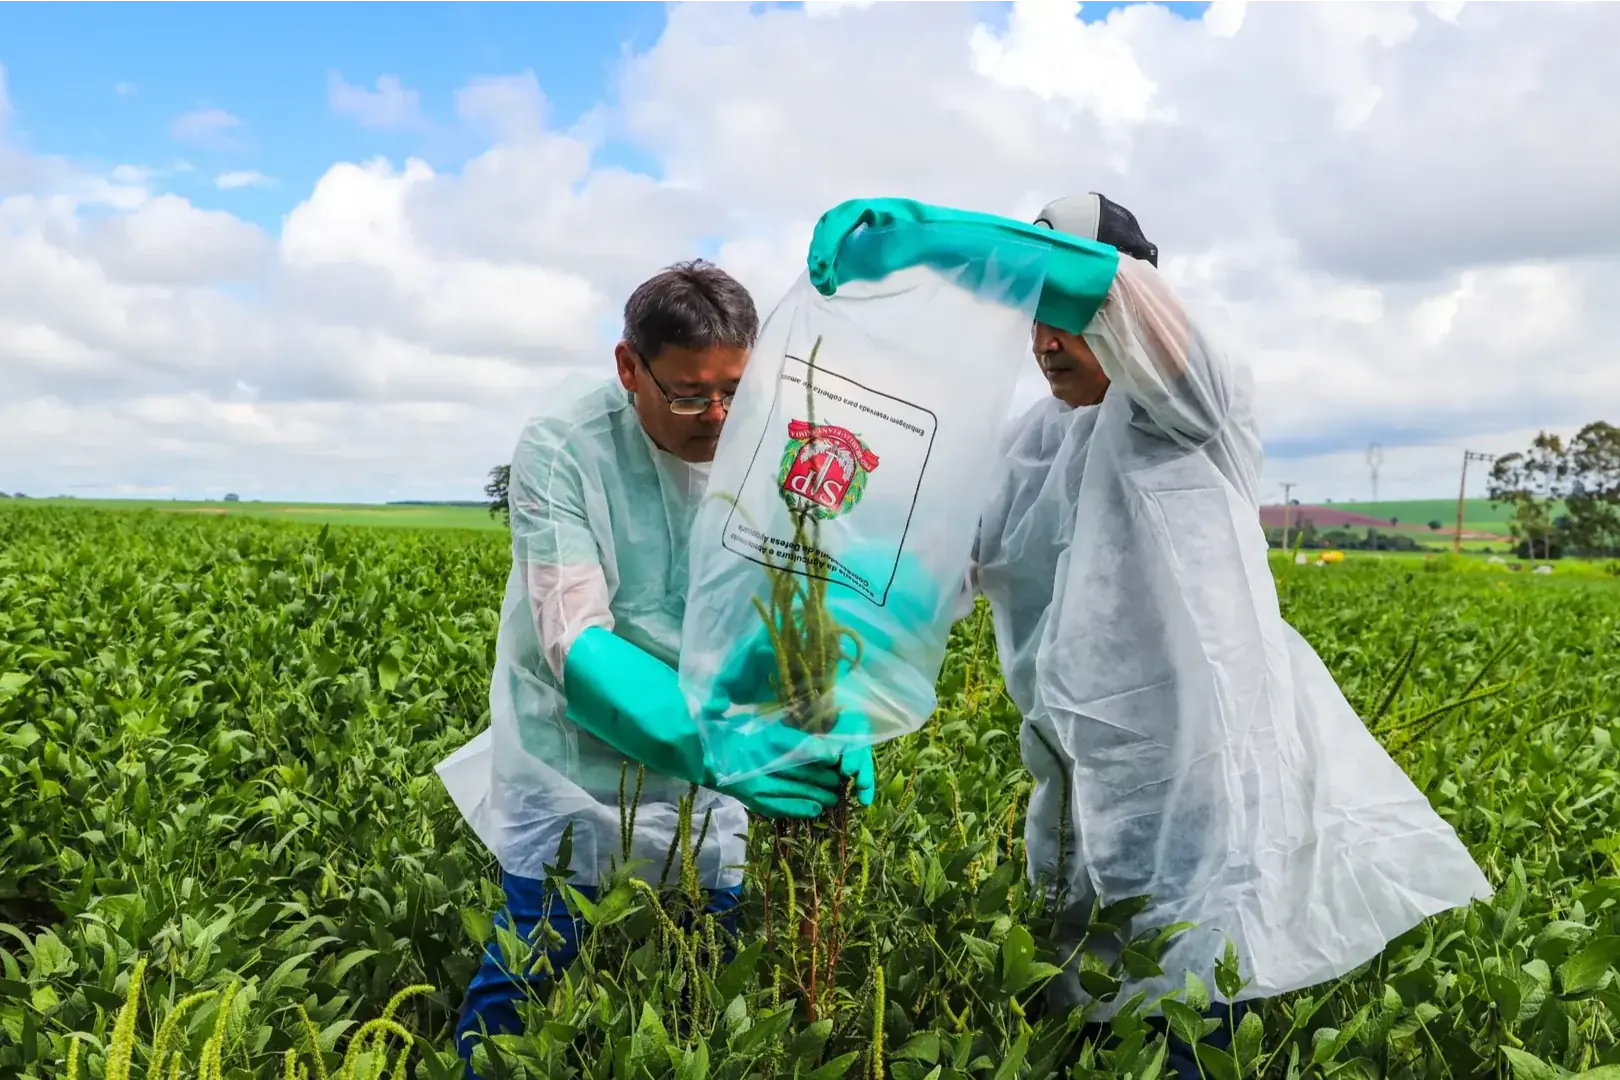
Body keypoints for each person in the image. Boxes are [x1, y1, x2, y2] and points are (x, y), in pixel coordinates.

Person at [967, 194, 1491, 1074]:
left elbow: (1153, 334)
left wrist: (970, 244)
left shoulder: (1186, 406)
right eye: (1036, 316)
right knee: (1078, 1002)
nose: (1046, 341)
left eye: (1069, 315)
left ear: (1127, 309)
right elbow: (956, 555)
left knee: (1179, 997)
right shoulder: (1034, 442)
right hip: (1069, 781)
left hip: (1195, 785)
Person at [448, 259, 872, 1076]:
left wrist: (832, 711)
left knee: (699, 983)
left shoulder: (774, 439)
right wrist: (718, 747)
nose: (715, 415)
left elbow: (801, 598)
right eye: (687, 393)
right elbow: (572, 636)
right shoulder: (564, 444)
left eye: (734, 390)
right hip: (574, 761)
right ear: (627, 368)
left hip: (713, 764)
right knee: (534, 975)